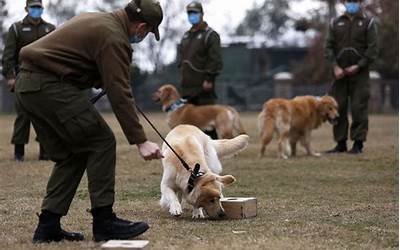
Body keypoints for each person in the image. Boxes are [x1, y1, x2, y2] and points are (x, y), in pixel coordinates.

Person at [15, 0, 163, 243]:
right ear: (142, 27)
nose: (144, 37)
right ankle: (104, 221)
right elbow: (119, 90)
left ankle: (48, 225)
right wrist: (140, 141)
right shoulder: (113, 36)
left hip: (29, 86)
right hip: (48, 85)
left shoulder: (99, 20)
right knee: (101, 141)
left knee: (72, 153)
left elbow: (84, 65)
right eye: (148, 32)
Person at [2, 0, 55, 161]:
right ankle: (19, 152)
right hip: (23, 77)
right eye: (33, 7)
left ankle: (45, 152)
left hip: (45, 78)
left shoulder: (50, 29)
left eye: (39, 7)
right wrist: (10, 77)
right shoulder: (16, 29)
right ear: (26, 8)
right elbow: (8, 56)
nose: (36, 10)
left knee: (45, 115)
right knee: (23, 116)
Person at [324, 0, 378, 154]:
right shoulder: (335, 23)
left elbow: (373, 49)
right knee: (337, 107)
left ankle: (358, 144)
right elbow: (328, 47)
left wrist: (359, 65)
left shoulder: (368, 22)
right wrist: (335, 66)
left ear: (361, 2)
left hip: (360, 74)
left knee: (358, 107)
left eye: (355, 0)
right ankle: (340, 143)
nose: (352, 3)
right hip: (339, 74)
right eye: (349, 1)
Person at [177, 1, 223, 139]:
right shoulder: (186, 35)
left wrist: (209, 78)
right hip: (187, 88)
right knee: (189, 124)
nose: (192, 15)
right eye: (189, 13)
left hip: (203, 88)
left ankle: (214, 152)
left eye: (195, 13)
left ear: (202, 14)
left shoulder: (210, 35)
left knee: (207, 124)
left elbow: (215, 60)